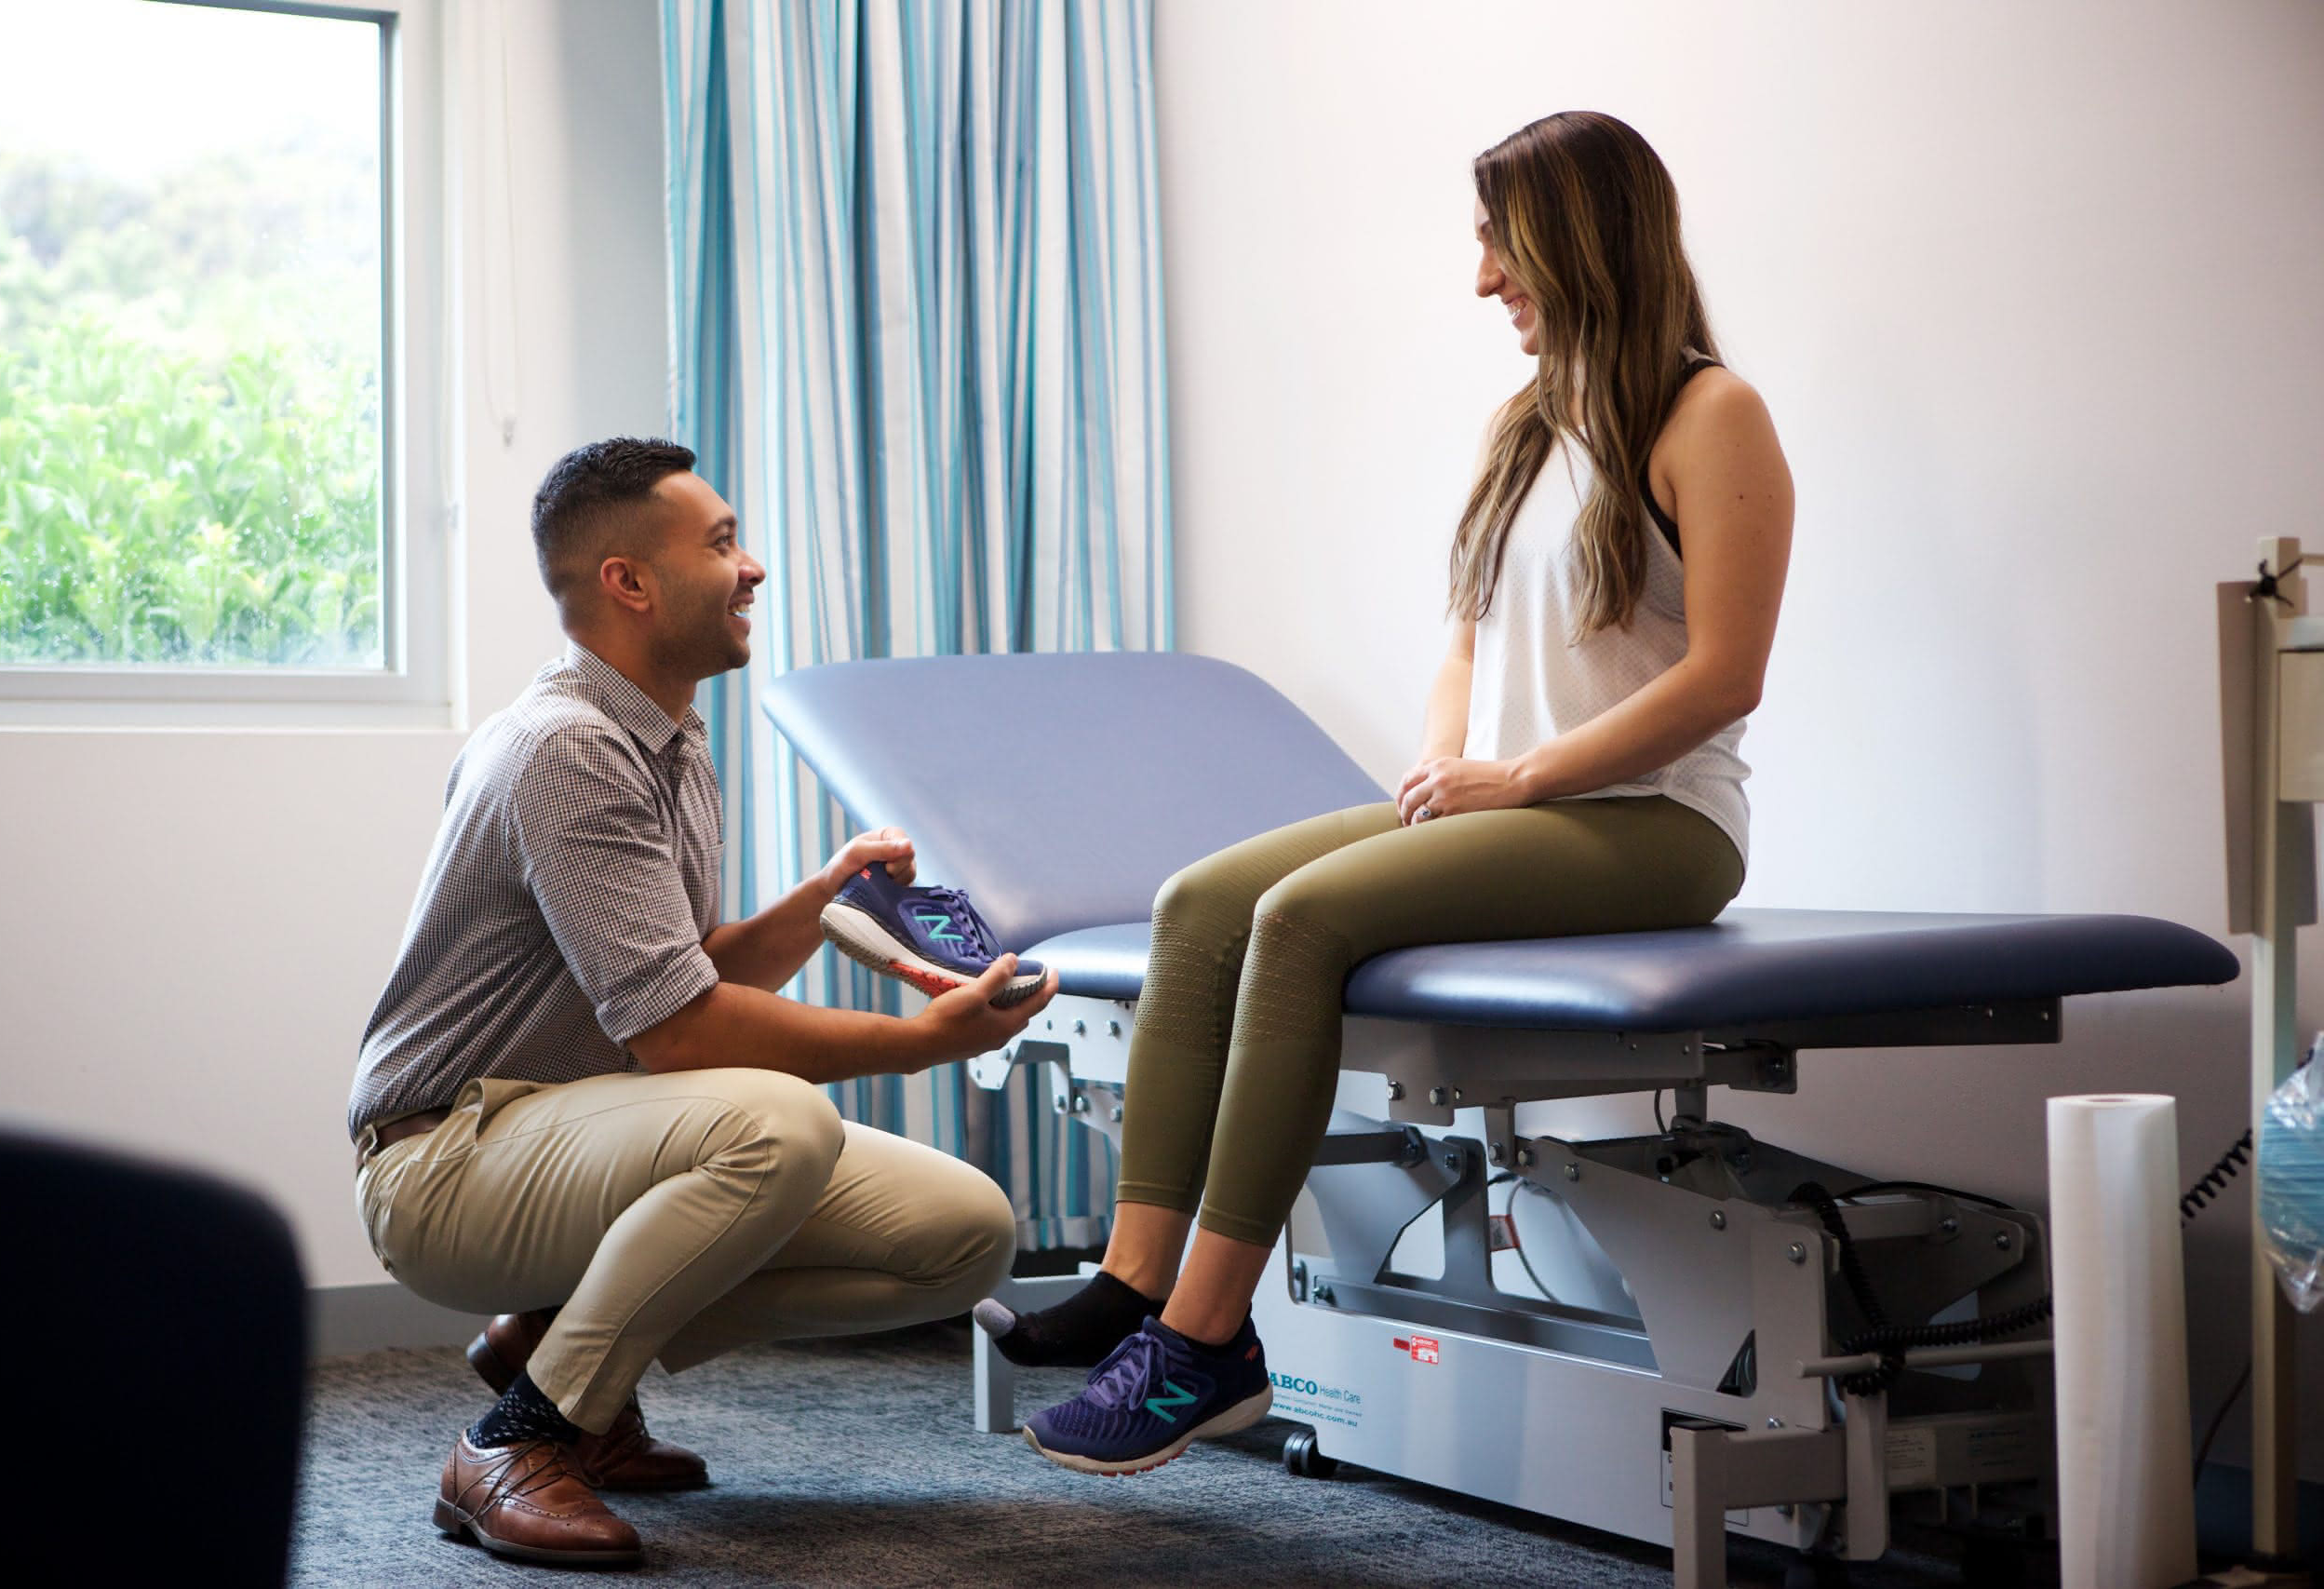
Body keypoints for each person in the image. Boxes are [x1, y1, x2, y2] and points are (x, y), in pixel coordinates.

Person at [979, 111, 1795, 1477]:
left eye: (1502, 244)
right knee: (1198, 904)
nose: (1484, 278)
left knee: (1298, 921)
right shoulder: (1525, 425)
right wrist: (1445, 769)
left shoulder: (1712, 415)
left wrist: (1520, 777)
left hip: (1656, 824)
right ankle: (1131, 1281)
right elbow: (1466, 643)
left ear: (1584, 240)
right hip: (1522, 804)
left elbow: (1725, 675)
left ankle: (1204, 1341)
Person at [348, 438, 1056, 1566]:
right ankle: (516, 1440)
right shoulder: (567, 750)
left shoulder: (668, 735)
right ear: (630, 581)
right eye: (723, 544)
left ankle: (560, 1351)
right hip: (446, 1161)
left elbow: (685, 975)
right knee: (778, 1122)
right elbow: (679, 1032)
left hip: (577, 1131)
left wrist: (823, 898)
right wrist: (918, 1042)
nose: (753, 568)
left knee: (961, 1234)